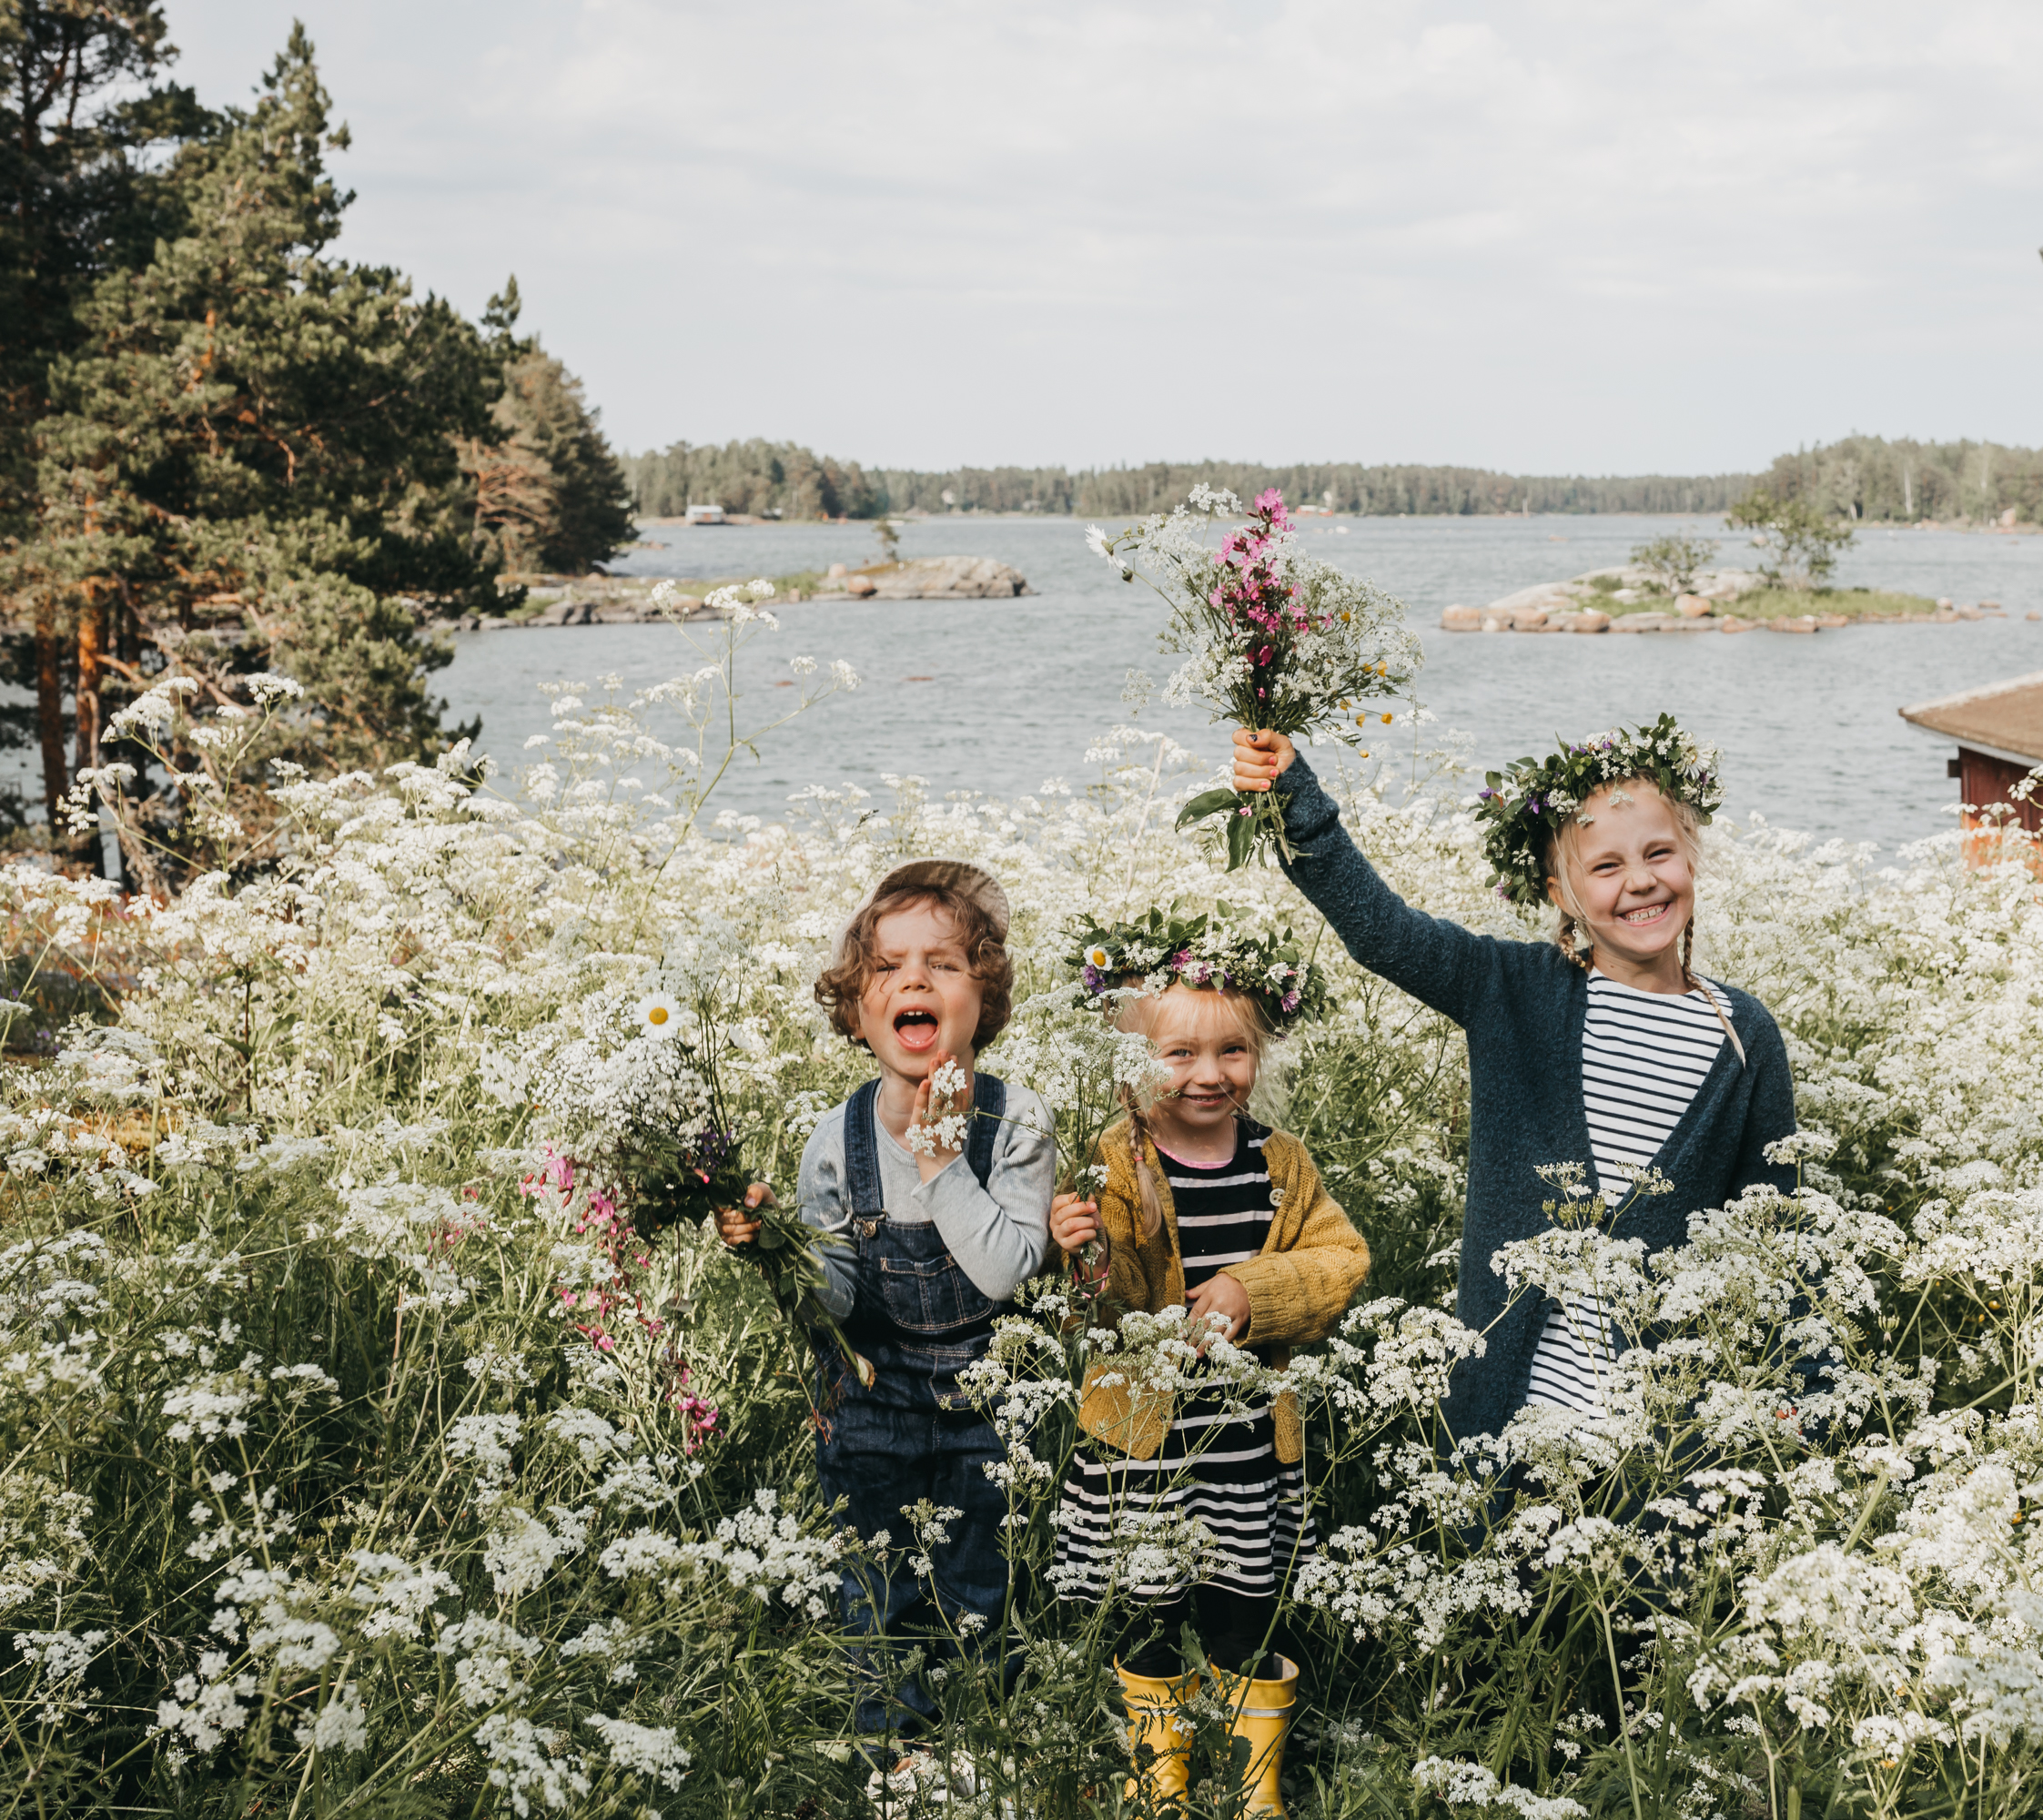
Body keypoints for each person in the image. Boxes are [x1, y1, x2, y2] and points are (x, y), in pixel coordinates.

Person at [1228, 714, 1800, 1443]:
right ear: (1561, 893)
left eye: (1661, 852)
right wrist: (1292, 797)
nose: (1642, 881)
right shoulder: (1512, 989)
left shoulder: (1742, 1034)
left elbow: (1773, 1226)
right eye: (1606, 867)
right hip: (1504, 1422)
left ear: (1692, 860)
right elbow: (1381, 930)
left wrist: (1792, 1385)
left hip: (1663, 1439)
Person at [715, 860, 1054, 1744]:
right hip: (872, 1405)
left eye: (942, 962)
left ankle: (983, 1756)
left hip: (988, 1407)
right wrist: (776, 1253)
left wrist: (943, 1163)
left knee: (982, 1596)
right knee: (877, 1597)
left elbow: (1006, 1271)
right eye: (887, 967)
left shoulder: (1017, 1124)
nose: (913, 979)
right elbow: (837, 1295)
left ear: (985, 996)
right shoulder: (837, 1139)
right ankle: (895, 1765)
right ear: (859, 1013)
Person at [1043, 913, 1367, 1815]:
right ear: (1138, 1061)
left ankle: (1257, 1790)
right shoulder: (1115, 1158)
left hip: (1246, 1459)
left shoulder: (1281, 1164)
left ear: (1259, 1052)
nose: (1209, 1073)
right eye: (1180, 1053)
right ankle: (1163, 1787)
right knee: (1148, 1622)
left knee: (1245, 1621)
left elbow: (1341, 1259)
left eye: (1233, 1050)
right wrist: (1080, 1255)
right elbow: (1087, 1310)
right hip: (1143, 1458)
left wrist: (1250, 1290)